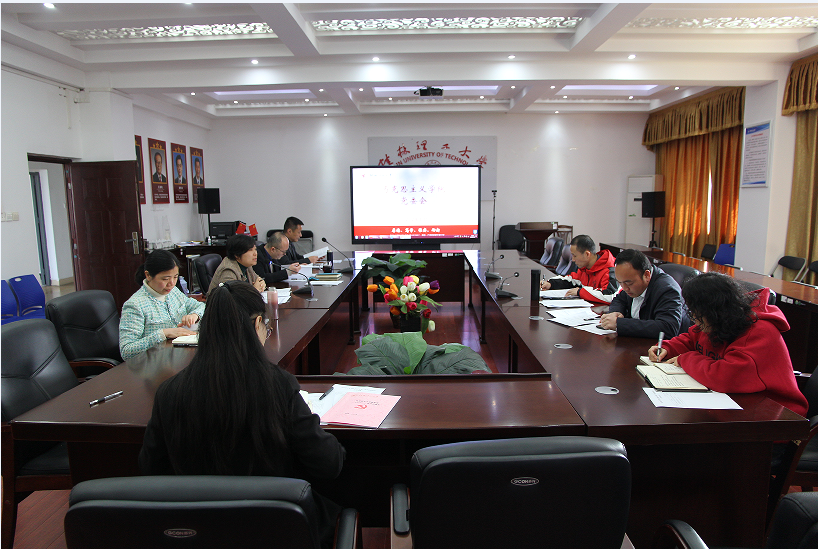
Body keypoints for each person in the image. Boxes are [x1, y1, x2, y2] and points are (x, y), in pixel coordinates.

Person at [138, 281, 346, 548]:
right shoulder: (277, 385)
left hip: (199, 532)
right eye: (267, 328)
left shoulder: (169, 392)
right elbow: (328, 464)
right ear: (258, 323)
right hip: (274, 531)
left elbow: (150, 469)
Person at [648, 273, 807, 417]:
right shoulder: (718, 322)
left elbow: (725, 377)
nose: (694, 319)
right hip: (737, 403)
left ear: (714, 311)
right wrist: (668, 348)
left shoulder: (760, 332)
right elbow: (692, 338)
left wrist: (685, 359)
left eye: (697, 314)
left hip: (778, 415)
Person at [120, 249, 205, 360]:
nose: (172, 283)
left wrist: (195, 315)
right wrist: (163, 334)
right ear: (148, 275)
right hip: (154, 363)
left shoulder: (173, 292)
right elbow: (126, 351)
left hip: (179, 356)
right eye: (165, 279)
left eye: (175, 277)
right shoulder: (135, 305)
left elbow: (201, 306)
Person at [599, 249, 689, 338]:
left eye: (629, 283)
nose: (625, 288)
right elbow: (619, 299)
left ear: (646, 275)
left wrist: (619, 324)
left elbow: (668, 328)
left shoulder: (667, 290)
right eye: (620, 283)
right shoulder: (631, 283)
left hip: (665, 345)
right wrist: (616, 312)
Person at [540, 235, 618, 304]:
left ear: (587, 254)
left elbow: (609, 296)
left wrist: (580, 292)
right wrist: (551, 284)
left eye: (575, 256)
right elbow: (572, 280)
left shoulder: (610, 270)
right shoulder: (585, 268)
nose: (573, 260)